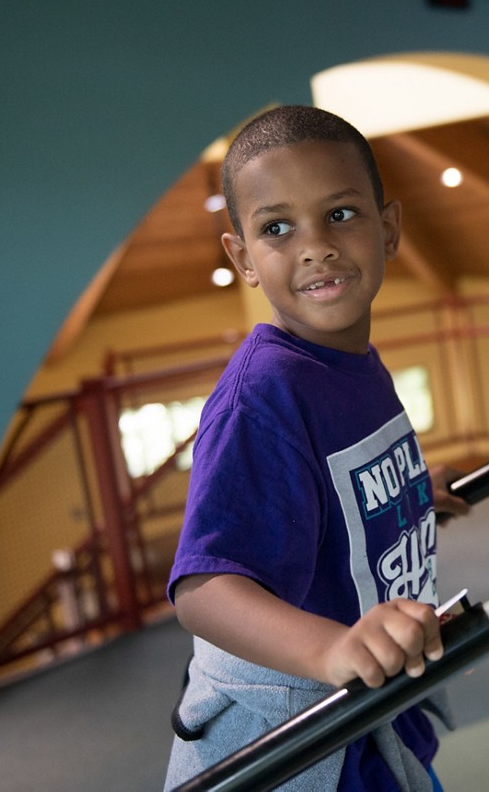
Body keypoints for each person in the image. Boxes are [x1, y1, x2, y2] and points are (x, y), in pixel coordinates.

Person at [163, 105, 471, 791]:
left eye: (340, 215)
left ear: (388, 229)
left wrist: (410, 494)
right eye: (278, 228)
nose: (316, 246)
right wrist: (332, 648)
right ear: (242, 257)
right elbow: (205, 589)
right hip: (313, 738)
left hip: (375, 714)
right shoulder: (264, 395)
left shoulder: (353, 362)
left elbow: (333, 490)